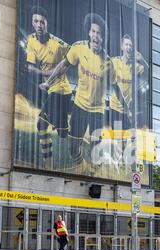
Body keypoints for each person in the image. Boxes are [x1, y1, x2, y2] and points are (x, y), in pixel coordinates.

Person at [40, 13, 115, 169]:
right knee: (73, 149)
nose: (95, 36)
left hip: (97, 111)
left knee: (96, 153)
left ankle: (94, 174)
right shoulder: (79, 47)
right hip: (79, 106)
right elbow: (63, 66)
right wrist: (48, 82)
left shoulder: (108, 62)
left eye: (99, 33)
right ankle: (82, 166)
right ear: (89, 32)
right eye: (93, 31)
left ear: (102, 38)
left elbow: (116, 86)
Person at [26, 6, 73, 170]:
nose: (39, 25)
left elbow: (73, 58)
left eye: (42, 22)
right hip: (49, 90)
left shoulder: (58, 43)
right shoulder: (31, 40)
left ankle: (51, 164)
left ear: (47, 23)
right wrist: (49, 72)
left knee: (42, 125)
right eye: (36, 21)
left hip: (61, 90)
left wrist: (51, 73)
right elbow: (30, 67)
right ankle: (49, 164)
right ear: (33, 23)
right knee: (58, 132)